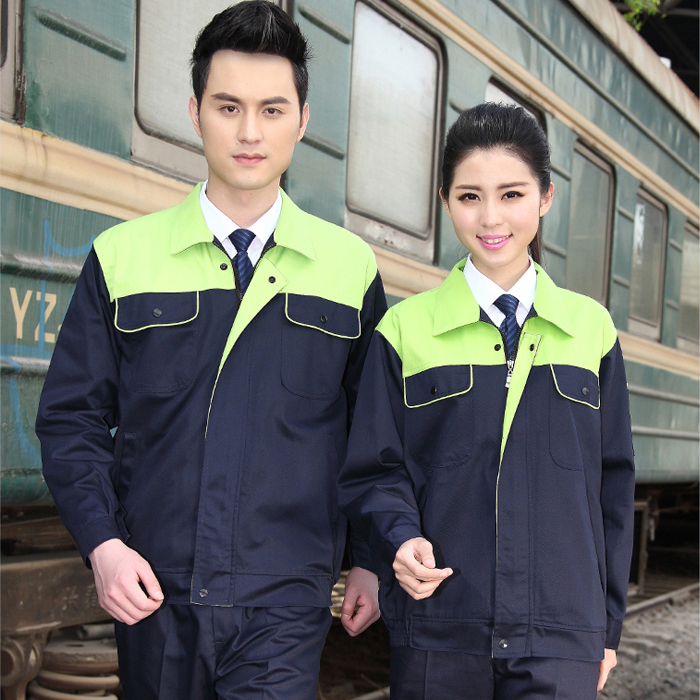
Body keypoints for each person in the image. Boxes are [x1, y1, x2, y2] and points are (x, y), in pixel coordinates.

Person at [35, 3, 385, 698]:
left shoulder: (350, 270)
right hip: (155, 594)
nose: (250, 132)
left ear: (302, 120)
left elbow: (375, 436)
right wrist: (103, 546)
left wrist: (371, 559)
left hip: (285, 598)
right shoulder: (123, 257)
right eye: (228, 107)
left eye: (272, 110)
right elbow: (71, 421)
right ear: (195, 112)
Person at [337, 103, 635, 700]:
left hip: (559, 636)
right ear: (446, 201)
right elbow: (375, 470)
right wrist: (400, 538)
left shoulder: (591, 331)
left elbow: (612, 490)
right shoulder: (404, 331)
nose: (491, 217)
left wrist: (605, 631)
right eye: (470, 196)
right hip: (440, 626)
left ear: (545, 197)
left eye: (512, 194)